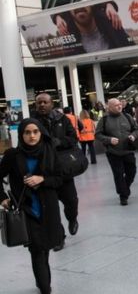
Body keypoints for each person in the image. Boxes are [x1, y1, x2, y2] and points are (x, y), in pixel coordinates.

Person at [0, 119, 64, 294]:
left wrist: (42, 179)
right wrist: (2, 197)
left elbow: (59, 178)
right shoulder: (12, 155)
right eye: (27, 132)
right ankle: (45, 287)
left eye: (35, 131)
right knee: (37, 249)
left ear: (41, 132)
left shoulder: (49, 151)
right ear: (21, 135)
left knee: (45, 248)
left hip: (48, 209)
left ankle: (41, 281)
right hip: (26, 210)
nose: (32, 136)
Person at [32, 93, 80, 251]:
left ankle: (72, 218)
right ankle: (59, 238)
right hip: (44, 173)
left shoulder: (62, 119)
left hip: (63, 170)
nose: (42, 105)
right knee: (51, 209)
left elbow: (73, 138)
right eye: (39, 102)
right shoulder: (32, 123)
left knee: (71, 201)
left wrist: (59, 142)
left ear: (52, 104)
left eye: (45, 102)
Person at [95, 99, 138, 206]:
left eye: (120, 104)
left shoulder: (128, 117)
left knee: (132, 172)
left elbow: (137, 129)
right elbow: (97, 134)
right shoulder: (104, 120)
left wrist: (133, 135)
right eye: (116, 105)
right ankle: (123, 196)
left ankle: (124, 188)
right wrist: (109, 140)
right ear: (109, 107)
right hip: (113, 152)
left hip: (128, 150)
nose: (119, 106)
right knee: (118, 174)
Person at [52, 2, 134, 54]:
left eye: (84, 3)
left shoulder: (111, 25)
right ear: (68, 13)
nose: (79, 7)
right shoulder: (69, 41)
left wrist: (109, 4)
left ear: (93, 6)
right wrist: (57, 16)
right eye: (73, 5)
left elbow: (132, 50)